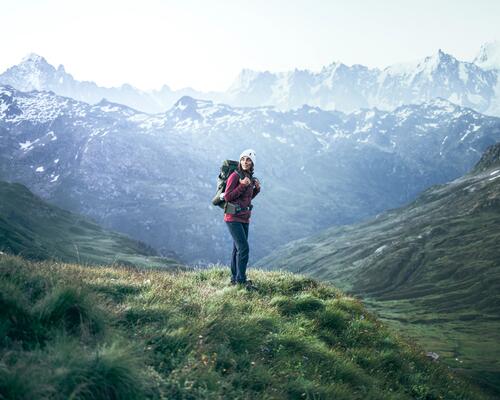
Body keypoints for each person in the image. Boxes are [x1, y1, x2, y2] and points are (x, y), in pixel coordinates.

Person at [223, 149, 260, 289]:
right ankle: (241, 281)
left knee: (237, 249)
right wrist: (242, 185)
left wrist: (256, 189)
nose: (245, 161)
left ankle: (235, 278)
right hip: (232, 217)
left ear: (252, 163)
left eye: (248, 159)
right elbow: (228, 196)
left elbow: (246, 199)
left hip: (244, 217)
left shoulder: (249, 177)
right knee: (244, 249)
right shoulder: (235, 176)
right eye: (243, 159)